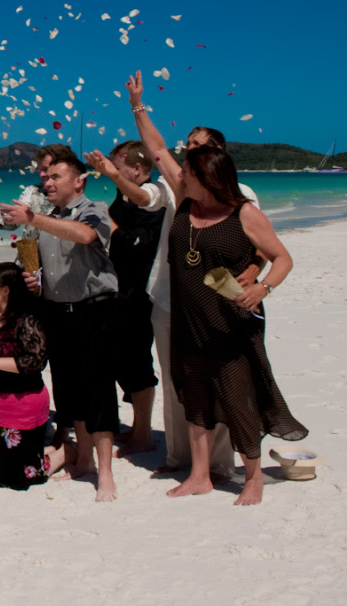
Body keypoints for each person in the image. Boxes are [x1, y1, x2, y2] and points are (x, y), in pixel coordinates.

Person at [129, 82, 306, 505]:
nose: (177, 172)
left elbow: (282, 258)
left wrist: (261, 285)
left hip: (229, 322)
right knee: (195, 398)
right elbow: (156, 149)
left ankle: (252, 478)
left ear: (206, 175)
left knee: (236, 396)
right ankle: (201, 475)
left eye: (187, 168)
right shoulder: (186, 200)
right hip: (187, 318)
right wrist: (137, 106)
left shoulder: (244, 211)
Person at [124, 71, 262, 479]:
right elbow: (158, 148)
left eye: (200, 147)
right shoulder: (179, 187)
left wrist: (252, 282)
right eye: (189, 146)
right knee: (174, 381)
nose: (189, 152)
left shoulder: (243, 196)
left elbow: (261, 252)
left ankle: (219, 464)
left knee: (221, 379)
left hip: (219, 300)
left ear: (219, 153)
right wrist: (137, 104)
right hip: (169, 298)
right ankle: (180, 459)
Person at [0, 154, 120, 502]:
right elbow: (47, 270)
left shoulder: (93, 208)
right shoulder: (49, 219)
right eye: (46, 177)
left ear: (78, 181)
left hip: (94, 309)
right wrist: (35, 284)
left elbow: (84, 236)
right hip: (57, 310)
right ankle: (83, 459)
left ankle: (106, 473)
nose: (48, 182)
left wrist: (33, 218)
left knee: (97, 390)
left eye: (56, 176)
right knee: (68, 390)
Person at [83, 141, 163, 456]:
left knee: (137, 362)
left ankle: (143, 433)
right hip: (116, 289)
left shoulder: (152, 200)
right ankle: (133, 428)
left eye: (117, 167)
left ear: (137, 169)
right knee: (117, 360)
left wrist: (109, 224)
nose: (111, 173)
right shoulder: (124, 196)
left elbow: (136, 247)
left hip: (138, 292)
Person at [0, 263, 70, 489]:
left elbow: (35, 361)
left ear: (6, 290)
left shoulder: (26, 319)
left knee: (19, 476)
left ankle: (65, 453)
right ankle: (44, 451)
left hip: (20, 401)